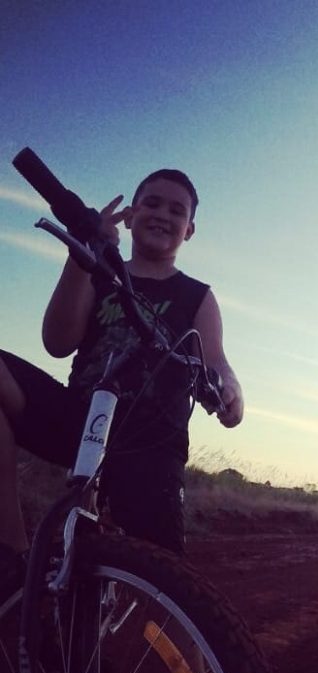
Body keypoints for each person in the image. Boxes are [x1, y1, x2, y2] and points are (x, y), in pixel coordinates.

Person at [0, 168, 243, 584]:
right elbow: (57, 342)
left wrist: (232, 391)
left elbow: (216, 359)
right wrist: (83, 254)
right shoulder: (97, 273)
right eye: (152, 203)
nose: (162, 214)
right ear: (130, 216)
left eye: (177, 210)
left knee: (168, 584)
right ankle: (12, 557)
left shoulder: (197, 295)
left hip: (151, 440)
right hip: (81, 422)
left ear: (189, 230)